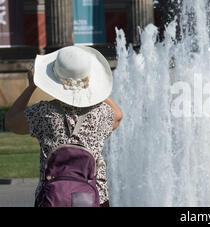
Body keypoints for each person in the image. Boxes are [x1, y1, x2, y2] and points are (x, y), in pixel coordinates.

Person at [5, 46, 123, 207]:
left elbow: (11, 122)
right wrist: (97, 90)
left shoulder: (44, 113)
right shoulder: (101, 114)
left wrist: (31, 86)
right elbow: (118, 115)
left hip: (52, 198)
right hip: (95, 198)